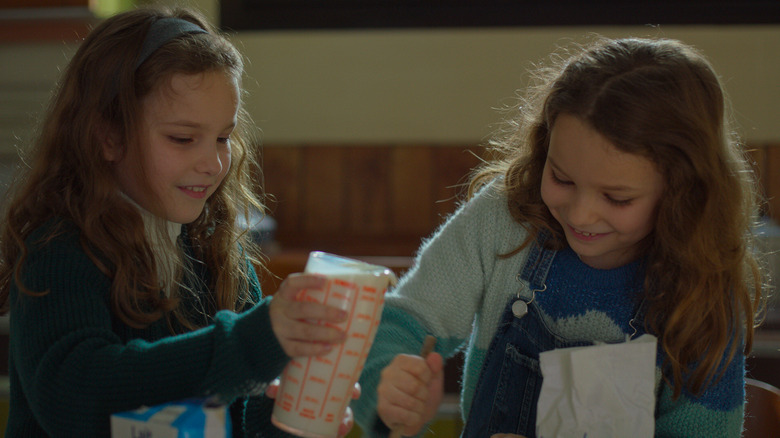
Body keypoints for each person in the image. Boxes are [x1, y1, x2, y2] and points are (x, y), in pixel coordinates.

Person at [353, 37, 766, 437]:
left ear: (683, 194)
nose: (581, 213)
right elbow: (405, 320)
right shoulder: (504, 219)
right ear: (543, 148)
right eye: (561, 178)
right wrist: (388, 385)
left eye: (616, 198)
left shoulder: (705, 291)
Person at [0, 6, 355, 437]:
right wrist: (248, 345)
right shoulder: (60, 249)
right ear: (109, 136)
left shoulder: (221, 255)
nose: (213, 162)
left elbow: (242, 420)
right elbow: (75, 393)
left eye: (223, 138)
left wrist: (296, 415)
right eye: (183, 139)